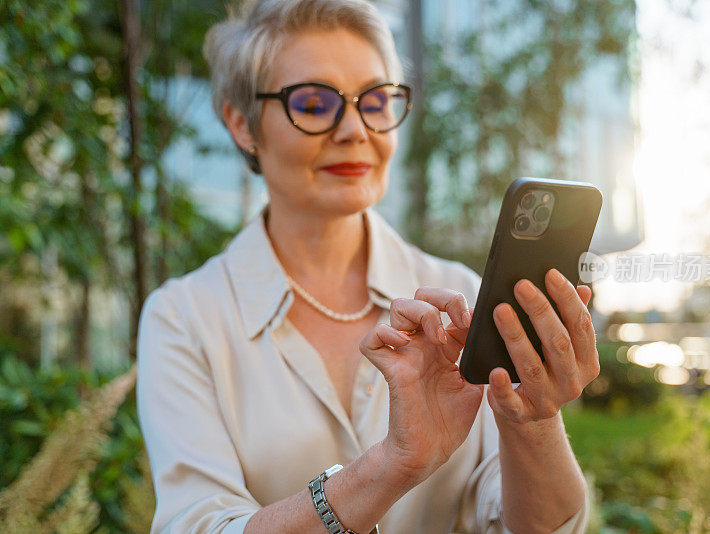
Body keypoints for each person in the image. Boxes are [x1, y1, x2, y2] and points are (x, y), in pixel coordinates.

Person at [136, 0, 601, 532]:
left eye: (376, 100)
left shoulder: (458, 293)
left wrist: (534, 422)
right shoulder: (184, 318)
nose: (355, 129)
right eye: (313, 104)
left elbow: (537, 527)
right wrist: (388, 469)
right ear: (242, 124)